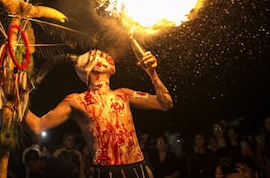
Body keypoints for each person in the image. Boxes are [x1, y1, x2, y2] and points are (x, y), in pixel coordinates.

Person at [23, 48, 173, 177]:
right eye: (95, 54)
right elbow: (38, 125)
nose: (103, 55)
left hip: (136, 167)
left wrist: (152, 73)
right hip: (106, 172)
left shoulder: (123, 95)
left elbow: (165, 103)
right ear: (86, 67)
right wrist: (15, 102)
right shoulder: (77, 101)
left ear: (112, 69)